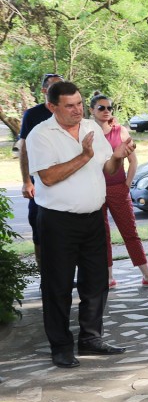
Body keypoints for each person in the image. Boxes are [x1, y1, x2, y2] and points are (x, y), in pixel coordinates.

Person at [27, 81, 136, 367]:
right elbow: (48, 177)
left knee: (96, 282)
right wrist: (84, 155)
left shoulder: (91, 127)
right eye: (69, 106)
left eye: (79, 103)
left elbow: (107, 168)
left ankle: (91, 338)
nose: (77, 110)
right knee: (58, 285)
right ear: (52, 107)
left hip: (93, 218)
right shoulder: (41, 134)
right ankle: (61, 346)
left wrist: (117, 157)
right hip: (58, 221)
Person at [90, 94, 148, 289]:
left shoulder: (120, 131)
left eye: (109, 108)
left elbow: (133, 161)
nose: (106, 111)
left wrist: (126, 185)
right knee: (101, 235)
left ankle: (147, 276)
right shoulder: (87, 132)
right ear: (91, 111)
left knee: (130, 232)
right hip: (94, 190)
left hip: (117, 188)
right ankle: (108, 277)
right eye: (101, 108)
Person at [18, 72, 62, 270]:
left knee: (65, 231)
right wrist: (27, 181)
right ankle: (45, 275)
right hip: (39, 181)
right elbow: (24, 148)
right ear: (44, 91)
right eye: (54, 86)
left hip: (65, 181)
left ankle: (65, 275)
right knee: (39, 228)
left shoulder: (69, 112)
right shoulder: (33, 115)